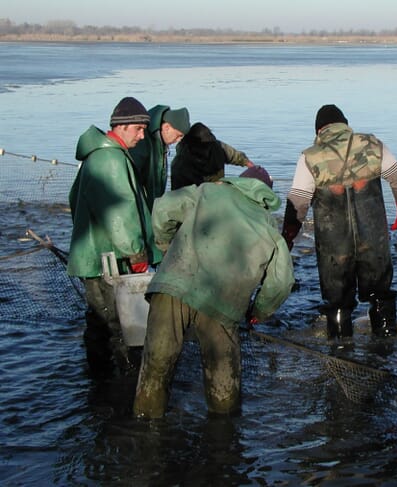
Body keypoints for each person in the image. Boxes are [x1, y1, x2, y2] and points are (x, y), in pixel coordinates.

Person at [133, 166, 294, 419]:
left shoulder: (207, 191)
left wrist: (165, 245)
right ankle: (222, 441)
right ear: (265, 194)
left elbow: (163, 208)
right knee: (223, 383)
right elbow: (281, 282)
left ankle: (144, 431)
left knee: (156, 367)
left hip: (173, 287)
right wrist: (258, 312)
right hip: (223, 305)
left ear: (238, 183)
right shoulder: (268, 225)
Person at [281, 104, 397, 339]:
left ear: (319, 131)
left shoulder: (310, 157)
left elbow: (298, 203)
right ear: (345, 124)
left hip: (334, 249)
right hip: (374, 241)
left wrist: (288, 238)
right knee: (381, 295)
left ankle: (342, 357)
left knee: (338, 302)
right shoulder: (373, 144)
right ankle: (386, 354)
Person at [67, 96, 162, 378]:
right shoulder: (110, 158)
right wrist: (137, 255)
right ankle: (121, 385)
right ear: (120, 127)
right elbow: (121, 216)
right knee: (117, 325)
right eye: (138, 129)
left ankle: (98, 382)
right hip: (106, 261)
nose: (143, 135)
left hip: (95, 255)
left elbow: (74, 200)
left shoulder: (96, 155)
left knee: (98, 323)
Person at [131, 104, 191, 210]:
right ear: (167, 127)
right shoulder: (142, 142)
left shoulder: (160, 142)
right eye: (178, 135)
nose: (179, 140)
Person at [170, 122, 255, 189]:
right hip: (194, 199)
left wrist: (254, 169)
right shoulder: (179, 165)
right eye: (203, 147)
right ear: (192, 146)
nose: (206, 150)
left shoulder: (217, 147)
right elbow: (179, 195)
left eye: (208, 146)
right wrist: (211, 187)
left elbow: (237, 157)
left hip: (218, 192)